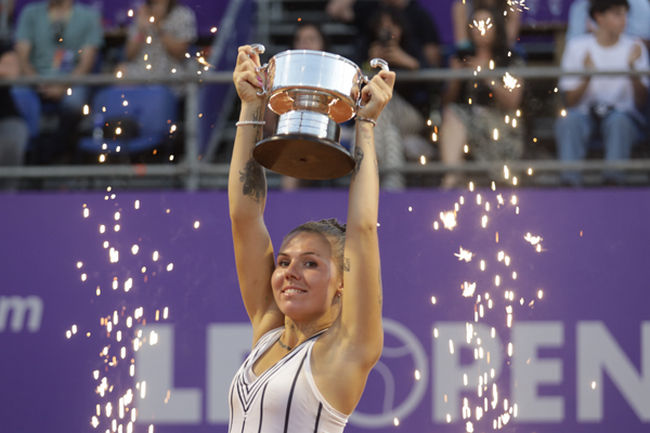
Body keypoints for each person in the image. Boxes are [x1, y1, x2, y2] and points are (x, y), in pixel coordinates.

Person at [228, 44, 395, 432]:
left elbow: (363, 229)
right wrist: (251, 106)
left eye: (311, 263)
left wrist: (365, 126)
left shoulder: (347, 351)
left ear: (342, 282)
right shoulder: (268, 331)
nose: (290, 272)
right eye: (284, 261)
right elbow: (244, 216)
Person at [555, 0, 649, 185]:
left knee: (619, 122)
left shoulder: (636, 48)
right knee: (569, 121)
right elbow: (570, 101)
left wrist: (632, 70)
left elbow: (641, 101)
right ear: (599, 17)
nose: (624, 20)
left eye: (625, 14)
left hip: (622, 116)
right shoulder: (576, 46)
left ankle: (614, 182)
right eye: (617, 14)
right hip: (584, 114)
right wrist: (587, 77)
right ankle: (569, 182)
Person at [439, 6, 525, 188]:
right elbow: (446, 102)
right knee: (452, 113)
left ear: (497, 28)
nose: (480, 29)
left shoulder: (510, 59)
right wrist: (455, 78)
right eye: (476, 24)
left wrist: (486, 75)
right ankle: (451, 177)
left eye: (486, 24)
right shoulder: (463, 58)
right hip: (469, 124)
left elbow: (512, 101)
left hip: (501, 124)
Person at [14, 0, 102, 163]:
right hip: (34, 81)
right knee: (17, 97)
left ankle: (57, 154)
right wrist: (38, 82)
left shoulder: (89, 17)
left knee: (75, 103)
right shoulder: (30, 13)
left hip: (72, 82)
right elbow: (22, 58)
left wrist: (63, 86)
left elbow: (86, 63)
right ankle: (29, 157)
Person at [360, 6, 438, 189]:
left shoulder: (411, 47)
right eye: (382, 26)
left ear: (401, 28)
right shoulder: (368, 48)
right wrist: (369, 64)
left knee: (383, 100)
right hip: (383, 121)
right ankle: (393, 187)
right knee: (390, 133)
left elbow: (436, 85)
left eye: (392, 26)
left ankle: (370, 168)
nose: (387, 31)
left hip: (412, 115)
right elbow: (356, 87)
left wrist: (407, 61)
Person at [117, 0, 197, 80]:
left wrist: (158, 26)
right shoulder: (143, 12)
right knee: (121, 69)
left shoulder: (182, 14)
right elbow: (129, 55)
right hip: (142, 70)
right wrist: (141, 30)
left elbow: (180, 54)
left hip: (170, 73)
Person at [566, 0, 650, 46]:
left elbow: (644, 42)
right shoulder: (580, 6)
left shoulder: (639, 3)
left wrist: (607, 36)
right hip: (589, 64)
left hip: (630, 64)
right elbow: (573, 44)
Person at [0, 35, 29, 168]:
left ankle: (8, 183)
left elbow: (12, 72)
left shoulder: (3, 45)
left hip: (6, 118)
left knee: (13, 137)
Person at [452, 0, 521, 49]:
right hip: (473, 53)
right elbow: (462, 43)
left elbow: (509, 41)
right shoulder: (463, 6)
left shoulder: (510, 6)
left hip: (501, 53)